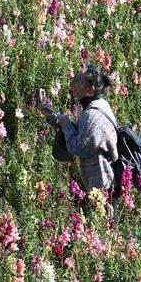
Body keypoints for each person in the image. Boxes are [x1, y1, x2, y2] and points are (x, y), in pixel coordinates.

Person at [40, 63, 119, 207]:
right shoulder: (98, 104)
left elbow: (78, 147)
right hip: (100, 181)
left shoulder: (93, 115)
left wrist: (65, 124)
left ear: (90, 89)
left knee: (103, 225)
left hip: (103, 184)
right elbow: (82, 132)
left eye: (77, 80)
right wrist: (54, 117)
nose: (73, 83)